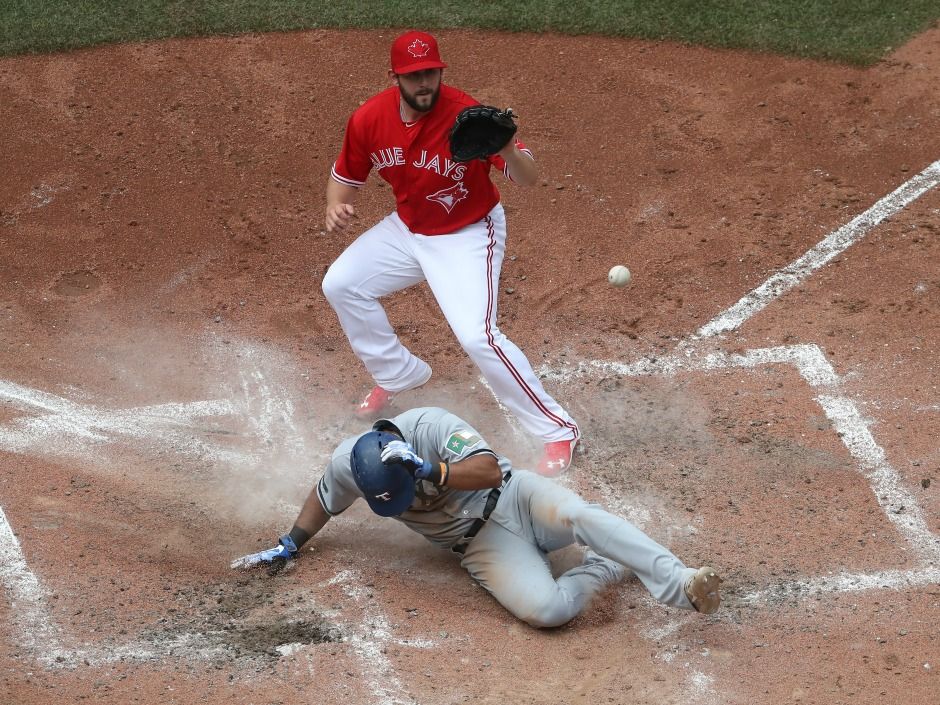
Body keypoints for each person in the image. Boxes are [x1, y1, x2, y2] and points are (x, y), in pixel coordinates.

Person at [321, 29, 580, 475]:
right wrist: (335, 204)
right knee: (341, 284)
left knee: (479, 337)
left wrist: (506, 148)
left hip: (468, 233)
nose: (424, 82)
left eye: (430, 73)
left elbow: (529, 178)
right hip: (408, 230)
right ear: (395, 77)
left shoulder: (467, 115)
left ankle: (558, 430)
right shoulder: (369, 119)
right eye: (414, 75)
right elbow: (344, 175)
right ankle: (397, 373)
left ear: (440, 71)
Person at [231, 407, 723, 628]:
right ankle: (607, 566)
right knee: (546, 612)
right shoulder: (349, 465)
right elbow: (322, 499)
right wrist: (291, 542)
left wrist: (433, 470)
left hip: (516, 498)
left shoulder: (430, 425)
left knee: (577, 513)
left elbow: (488, 470)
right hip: (483, 547)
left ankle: (678, 583)